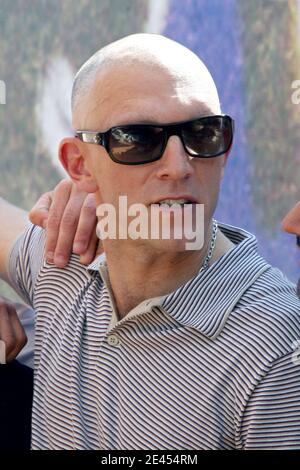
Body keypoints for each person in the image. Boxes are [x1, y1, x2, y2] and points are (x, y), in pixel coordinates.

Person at [0, 33, 299, 450]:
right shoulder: (64, 259)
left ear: (226, 150)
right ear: (78, 164)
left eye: (203, 133)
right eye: (138, 139)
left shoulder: (276, 349)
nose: (178, 166)